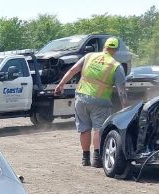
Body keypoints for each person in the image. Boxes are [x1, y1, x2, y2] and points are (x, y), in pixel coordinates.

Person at [55, 37, 128, 167]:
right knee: (98, 129)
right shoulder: (116, 66)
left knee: (84, 129)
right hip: (100, 102)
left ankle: (85, 158)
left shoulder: (89, 56)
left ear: (104, 47)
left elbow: (72, 70)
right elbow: (121, 90)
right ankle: (96, 159)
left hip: (81, 98)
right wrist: (125, 108)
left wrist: (61, 84)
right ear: (115, 50)